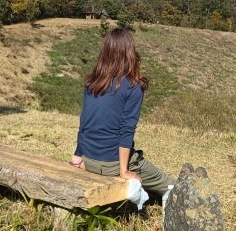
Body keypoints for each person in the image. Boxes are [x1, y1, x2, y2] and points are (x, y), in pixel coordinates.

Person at [69, 28, 175, 198]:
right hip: (112, 164)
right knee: (172, 186)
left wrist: (77, 155)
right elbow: (126, 130)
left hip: (88, 159)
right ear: (130, 53)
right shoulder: (134, 87)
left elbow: (85, 121)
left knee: (151, 187)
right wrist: (124, 171)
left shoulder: (92, 83)